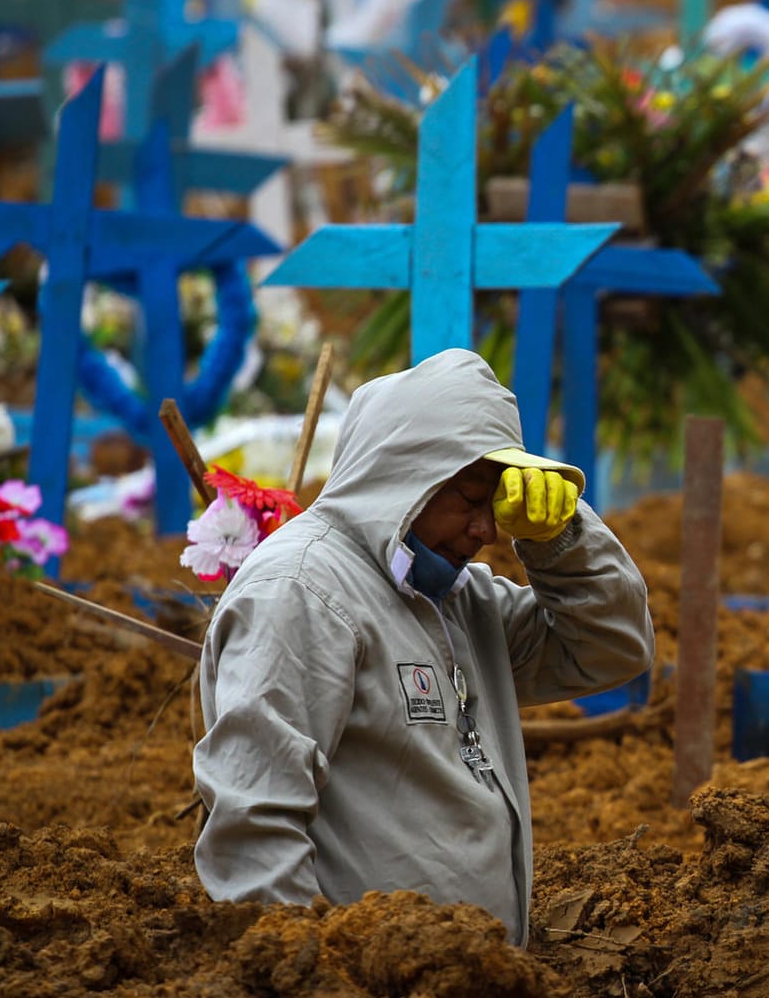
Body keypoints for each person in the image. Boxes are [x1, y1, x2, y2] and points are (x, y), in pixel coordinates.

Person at [192, 349, 654, 944]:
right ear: (404, 475)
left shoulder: (460, 600)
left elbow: (608, 648)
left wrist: (562, 539)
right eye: (469, 497)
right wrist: (314, 978)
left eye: (497, 505)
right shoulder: (303, 591)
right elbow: (254, 828)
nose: (488, 530)